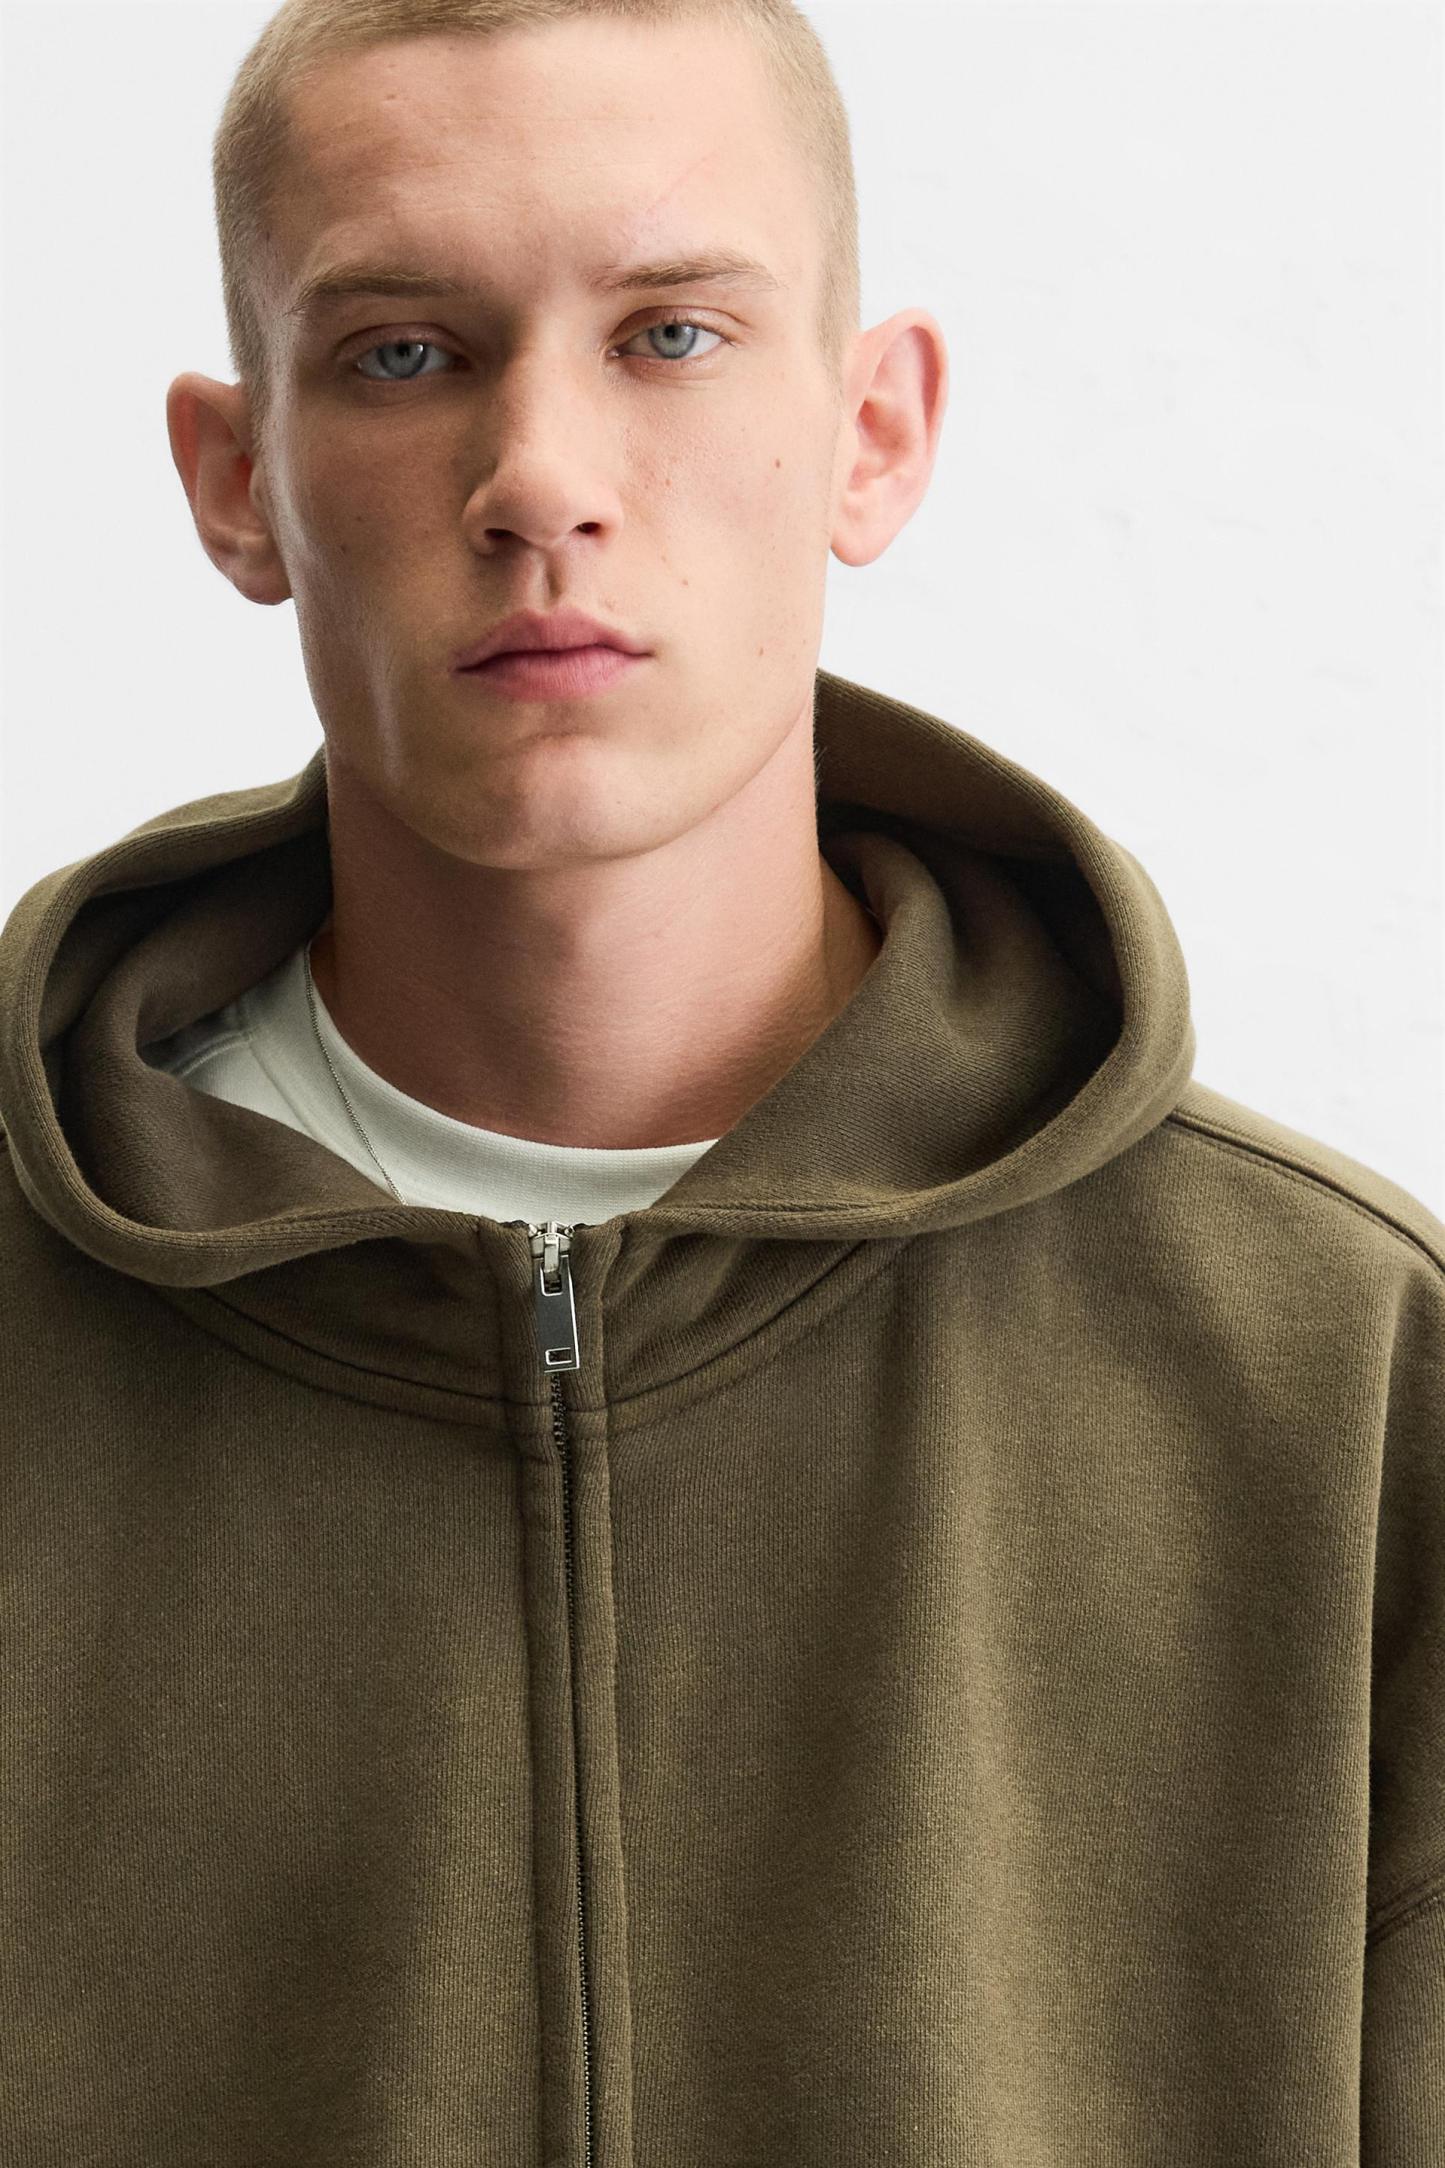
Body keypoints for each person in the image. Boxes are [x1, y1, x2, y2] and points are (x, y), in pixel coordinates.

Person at [0, 2, 1440, 2160]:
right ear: (238, 478)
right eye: (404, 352)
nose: (540, 481)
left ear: (874, 430)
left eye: (670, 336)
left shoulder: (1345, 1378)